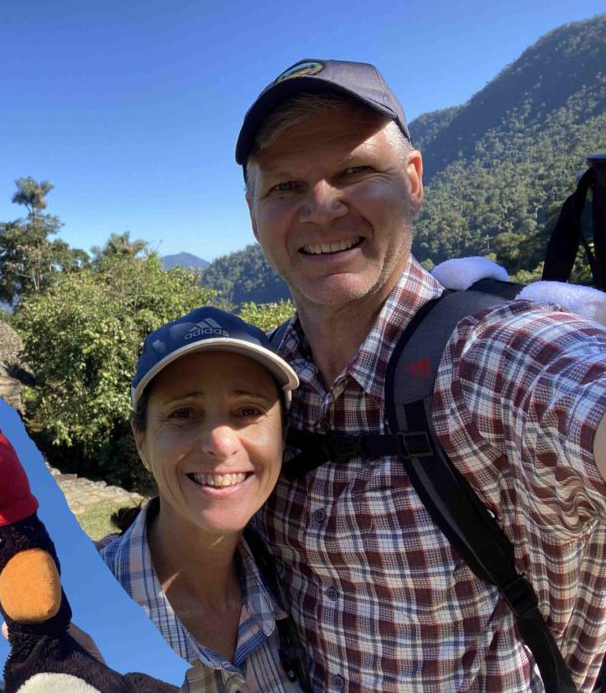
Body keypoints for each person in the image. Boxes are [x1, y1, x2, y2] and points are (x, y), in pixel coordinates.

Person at [235, 58, 606, 691]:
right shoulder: (262, 384)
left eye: (354, 172)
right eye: (285, 186)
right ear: (252, 210)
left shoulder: (489, 358)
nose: (321, 206)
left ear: (412, 180)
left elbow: (573, 383)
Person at [99, 306, 307, 692]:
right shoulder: (78, 618)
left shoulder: (297, 586)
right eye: (184, 413)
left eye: (248, 410)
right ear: (141, 440)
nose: (221, 443)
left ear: (282, 432)